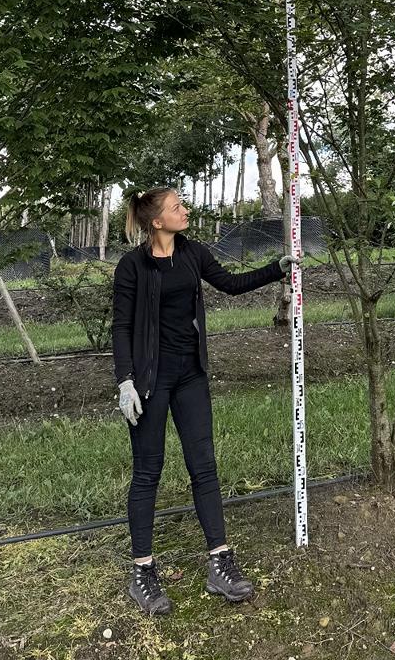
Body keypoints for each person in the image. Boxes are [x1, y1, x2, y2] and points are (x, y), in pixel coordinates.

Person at [112, 185, 294, 616]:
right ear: (157, 221)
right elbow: (121, 327)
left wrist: (277, 269)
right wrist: (126, 382)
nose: (185, 211)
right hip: (150, 383)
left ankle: (220, 562)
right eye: (178, 207)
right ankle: (143, 571)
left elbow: (230, 285)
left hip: (191, 375)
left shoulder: (192, 253)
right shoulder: (132, 266)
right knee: (148, 472)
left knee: (204, 467)